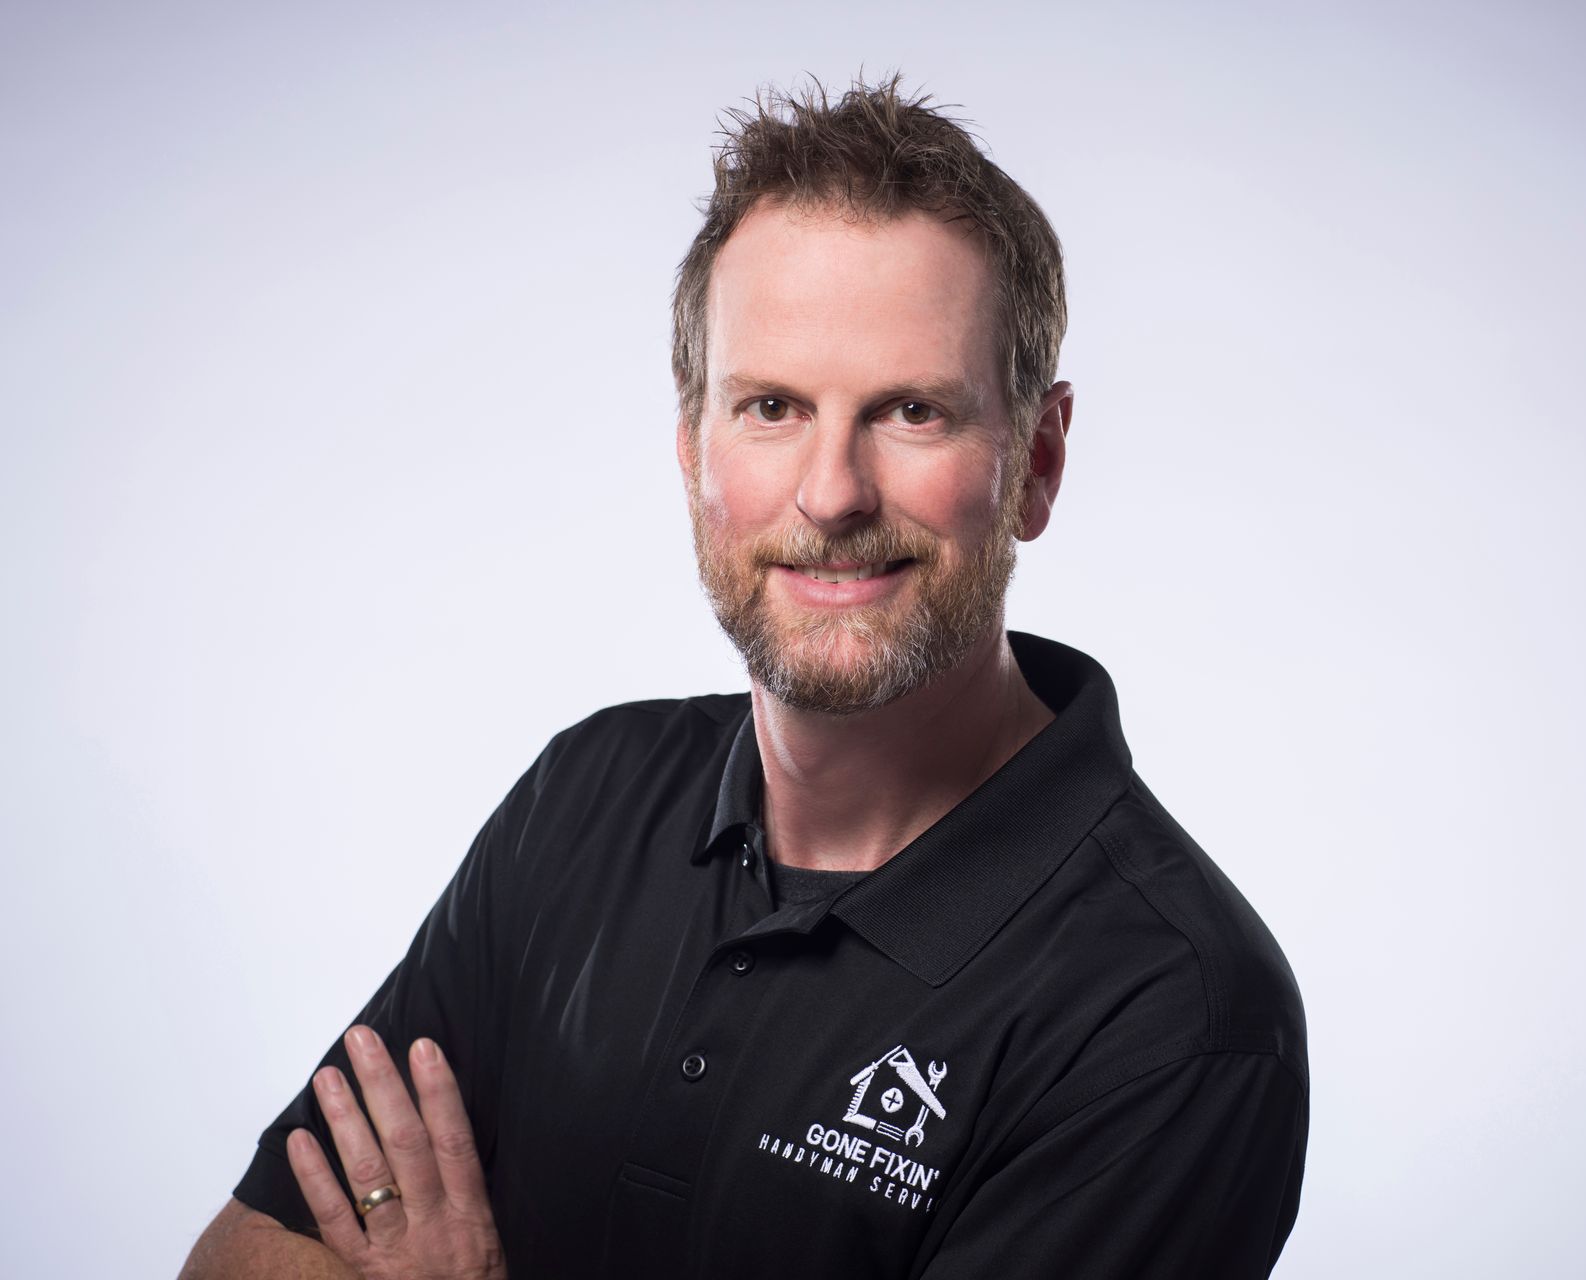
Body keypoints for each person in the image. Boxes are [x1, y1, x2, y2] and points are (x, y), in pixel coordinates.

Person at [182, 73, 1309, 1279]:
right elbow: (236, 1256)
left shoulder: (1171, 1015)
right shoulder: (587, 795)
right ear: (692, 450)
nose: (831, 493)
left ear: (1034, 460)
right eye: (771, 405)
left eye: (912, 411)